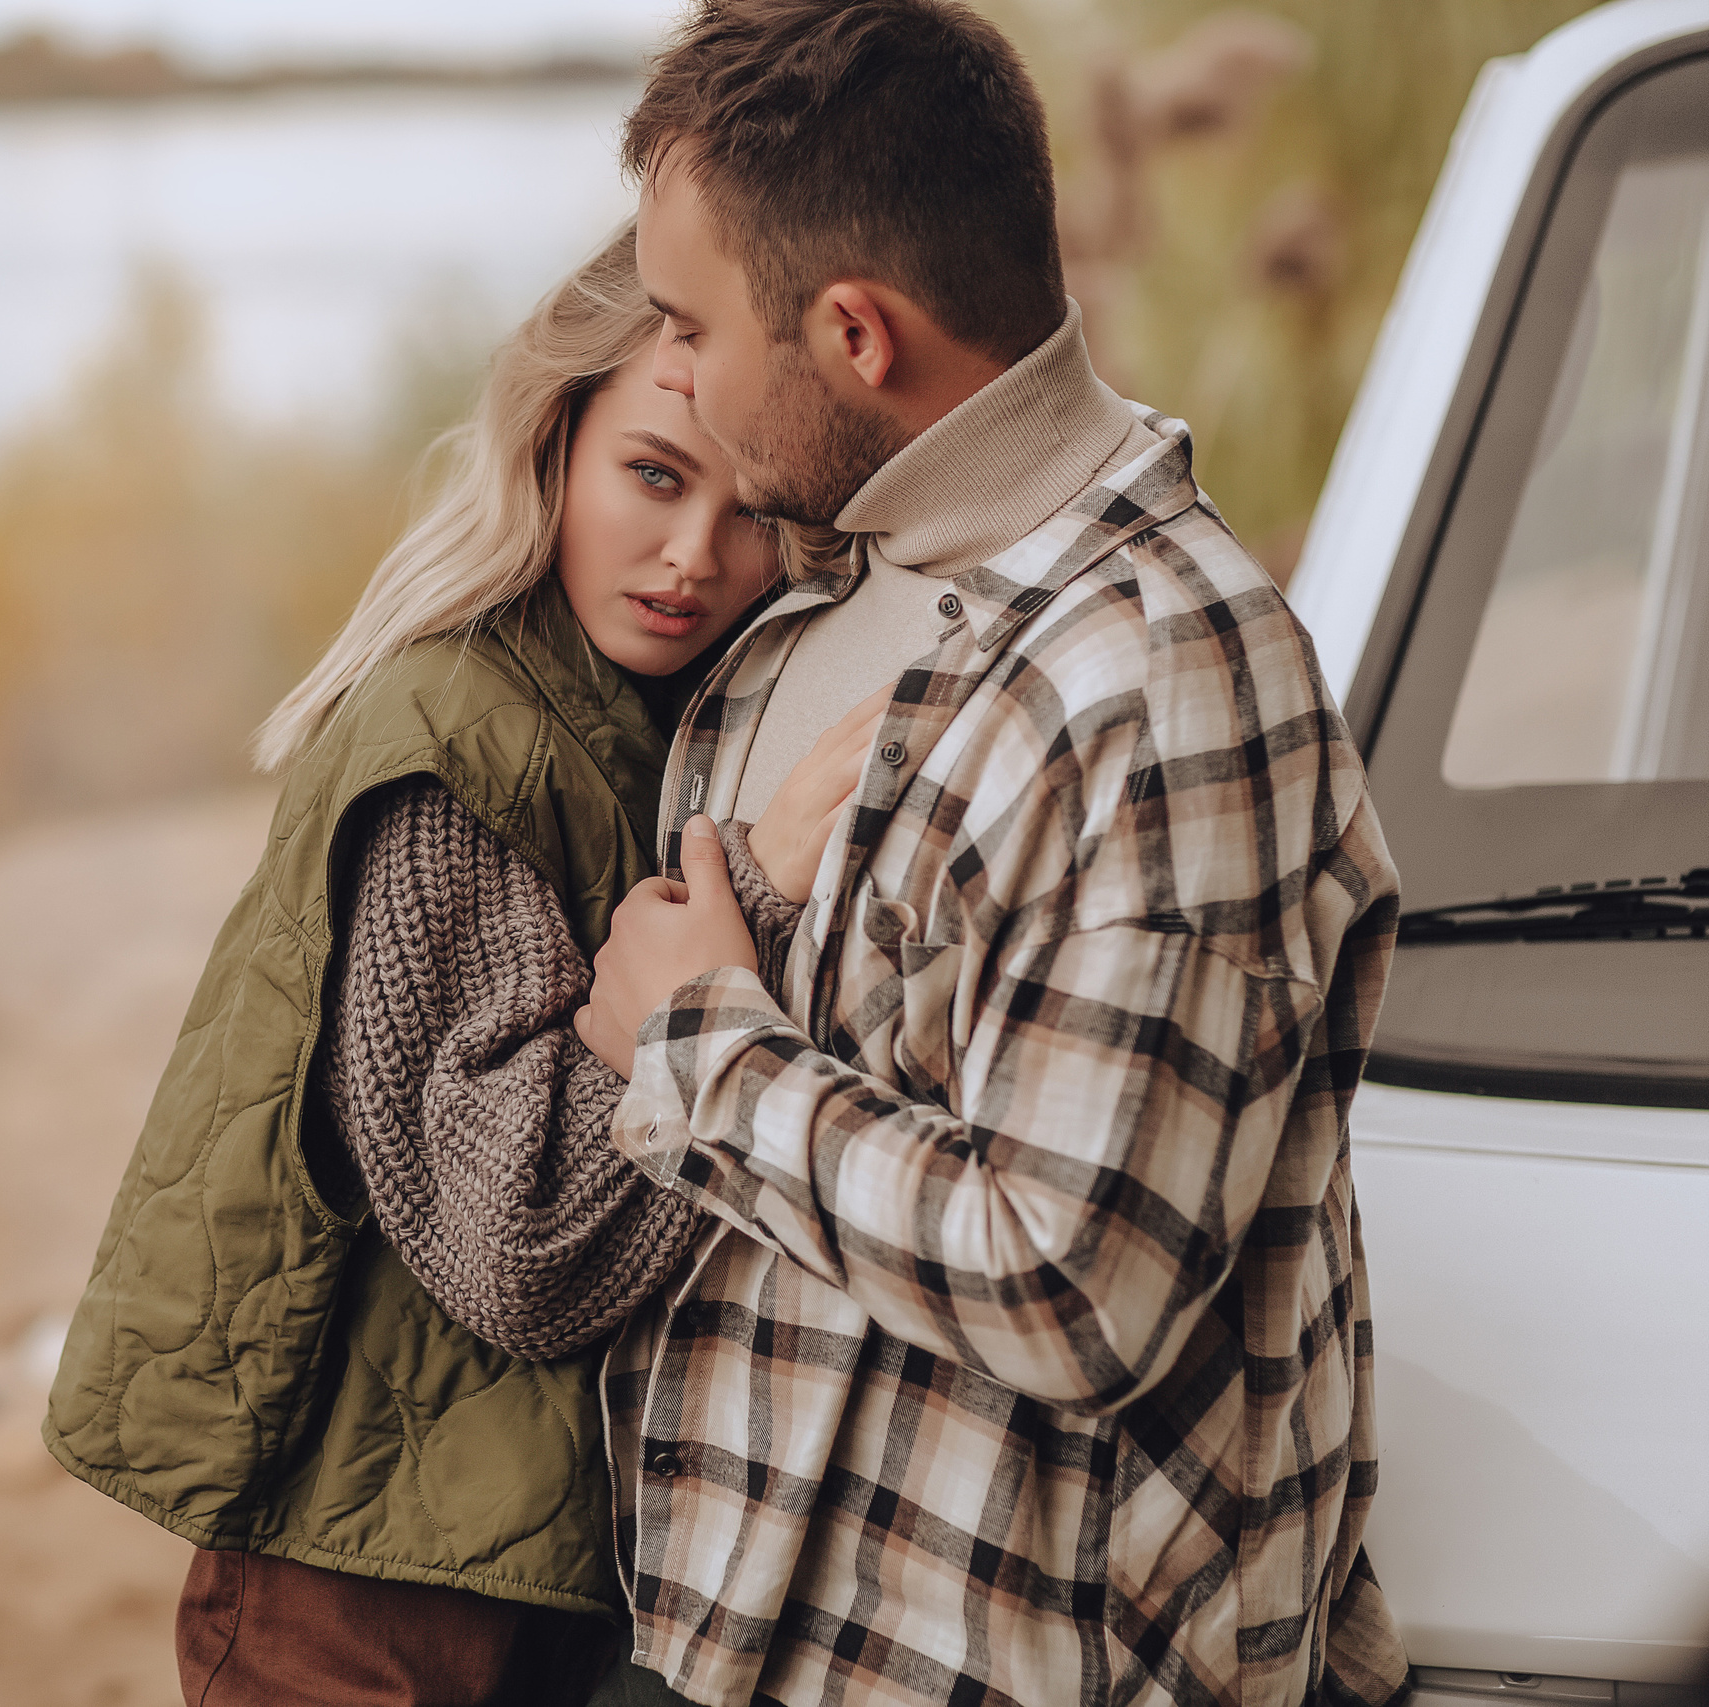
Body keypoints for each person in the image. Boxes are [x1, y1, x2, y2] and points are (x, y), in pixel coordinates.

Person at [568, 4, 1413, 1706]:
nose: (673, 372)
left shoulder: (1160, 685)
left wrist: (700, 1046)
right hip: (744, 1638)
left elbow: (1073, 1288)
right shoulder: (818, 576)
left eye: (690, 324)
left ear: (855, 334)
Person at [45, 223, 871, 1706]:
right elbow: (515, 1241)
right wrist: (757, 883)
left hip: (515, 1556)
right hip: (366, 1595)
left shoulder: (646, 717)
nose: (696, 558)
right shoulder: (455, 744)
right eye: (655, 476)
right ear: (555, 440)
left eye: (754, 511)